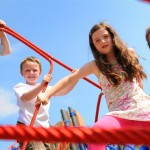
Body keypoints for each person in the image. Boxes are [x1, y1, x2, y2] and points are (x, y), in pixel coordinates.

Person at [36, 22, 150, 150]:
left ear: (113, 37)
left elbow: (138, 80)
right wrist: (47, 94)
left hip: (142, 106)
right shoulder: (95, 65)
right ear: (94, 46)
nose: (102, 41)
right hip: (118, 112)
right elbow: (70, 78)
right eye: (97, 40)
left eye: (106, 36)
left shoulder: (129, 53)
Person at [14, 56, 53, 150]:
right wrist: (41, 85)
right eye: (27, 70)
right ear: (21, 73)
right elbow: (25, 97)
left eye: (35, 70)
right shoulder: (20, 87)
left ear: (40, 72)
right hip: (27, 128)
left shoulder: (47, 88)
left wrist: (76, 77)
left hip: (44, 131)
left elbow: (64, 90)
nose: (31, 73)